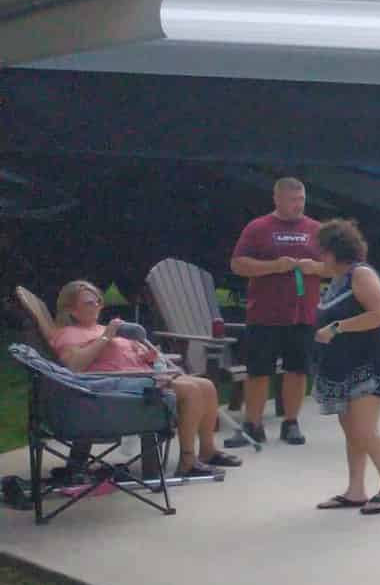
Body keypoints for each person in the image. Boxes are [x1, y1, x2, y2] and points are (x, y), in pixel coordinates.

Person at [47, 280, 242, 478]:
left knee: (206, 385)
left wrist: (146, 356)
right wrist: (106, 336)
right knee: (191, 389)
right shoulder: (69, 334)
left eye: (99, 300)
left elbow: (123, 356)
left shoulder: (102, 328)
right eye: (90, 302)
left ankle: (207, 451)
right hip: (117, 389)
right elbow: (74, 366)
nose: (97, 305)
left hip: (140, 378)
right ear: (70, 309)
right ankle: (187, 462)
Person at [310, 219, 380, 514]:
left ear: (333, 251)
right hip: (344, 364)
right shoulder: (336, 280)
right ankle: (355, 491)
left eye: (321, 251)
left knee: (364, 429)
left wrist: (336, 328)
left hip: (370, 361)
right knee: (351, 429)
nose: (319, 257)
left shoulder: (360, 274)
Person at [229, 177, 324, 448]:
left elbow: (335, 268)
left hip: (303, 314)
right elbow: (238, 264)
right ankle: (253, 425)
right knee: (258, 371)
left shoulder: (316, 230)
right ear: (277, 199)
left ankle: (291, 423)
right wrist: (273, 266)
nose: (298, 205)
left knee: (297, 370)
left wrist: (315, 269)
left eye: (302, 200)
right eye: (293, 200)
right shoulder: (259, 227)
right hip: (264, 314)